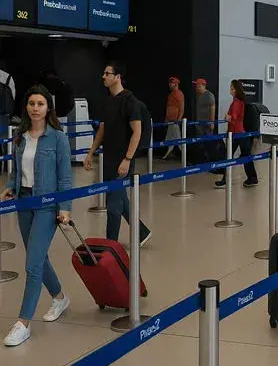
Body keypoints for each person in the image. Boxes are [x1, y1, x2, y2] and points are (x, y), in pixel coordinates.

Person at [2, 86, 72, 347]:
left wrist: (65, 207)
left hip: (47, 205)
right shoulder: (20, 138)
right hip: (24, 202)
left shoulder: (58, 139)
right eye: (31, 103)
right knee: (38, 258)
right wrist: (11, 185)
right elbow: (17, 168)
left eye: (40, 103)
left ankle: (23, 323)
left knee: (32, 265)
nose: (35, 108)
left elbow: (65, 177)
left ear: (48, 108)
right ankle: (60, 297)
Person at [85, 61, 152, 245]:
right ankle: (142, 231)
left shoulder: (130, 102)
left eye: (107, 73)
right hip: (108, 158)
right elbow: (102, 129)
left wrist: (127, 159)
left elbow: (137, 132)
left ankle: (111, 244)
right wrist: (91, 152)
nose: (103, 76)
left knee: (113, 205)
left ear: (117, 77)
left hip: (122, 160)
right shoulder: (108, 101)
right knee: (119, 198)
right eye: (104, 73)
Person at [215, 80, 258, 188]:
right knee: (245, 155)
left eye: (232, 88)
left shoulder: (237, 102)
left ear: (237, 90)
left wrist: (226, 117)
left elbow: (232, 118)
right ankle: (252, 178)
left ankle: (227, 179)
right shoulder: (238, 102)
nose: (231, 90)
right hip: (239, 133)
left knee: (229, 155)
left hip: (236, 133)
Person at [193, 78, 217, 164]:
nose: (197, 88)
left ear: (203, 86)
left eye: (198, 86)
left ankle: (210, 161)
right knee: (199, 142)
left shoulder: (209, 95)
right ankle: (201, 161)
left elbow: (213, 108)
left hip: (207, 124)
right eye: (196, 86)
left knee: (208, 143)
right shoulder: (198, 95)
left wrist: (212, 122)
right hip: (199, 123)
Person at [162, 77, 184, 160]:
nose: (169, 84)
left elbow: (181, 107)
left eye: (171, 83)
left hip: (175, 120)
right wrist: (166, 119)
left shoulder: (179, 94)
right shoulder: (170, 95)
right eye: (169, 83)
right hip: (170, 120)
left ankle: (183, 155)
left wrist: (179, 118)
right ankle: (169, 153)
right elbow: (168, 107)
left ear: (176, 84)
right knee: (170, 137)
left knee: (177, 138)